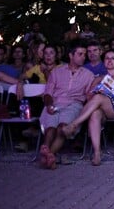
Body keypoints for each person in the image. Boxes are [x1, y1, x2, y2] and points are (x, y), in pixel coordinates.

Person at [62, 49, 114, 165]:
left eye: (113, 58)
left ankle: (74, 125)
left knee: (99, 98)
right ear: (103, 61)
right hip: (101, 107)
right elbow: (89, 96)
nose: (110, 61)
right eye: (107, 58)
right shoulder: (98, 78)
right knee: (95, 113)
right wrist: (97, 90)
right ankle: (97, 153)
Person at [39, 41, 95, 169]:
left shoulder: (88, 75)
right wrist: (49, 105)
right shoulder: (56, 72)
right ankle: (48, 154)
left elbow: (88, 96)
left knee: (62, 128)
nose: (83, 57)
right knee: (50, 128)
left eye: (84, 54)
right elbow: (48, 93)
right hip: (55, 102)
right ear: (71, 55)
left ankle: (47, 154)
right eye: (80, 54)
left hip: (74, 105)